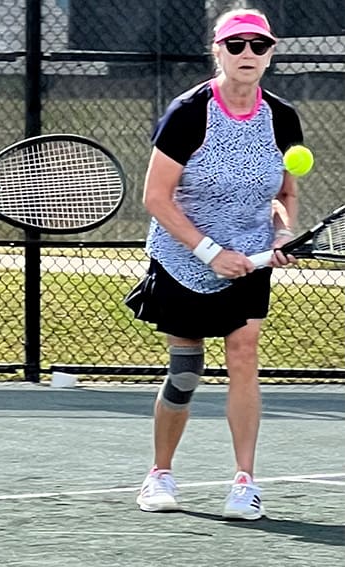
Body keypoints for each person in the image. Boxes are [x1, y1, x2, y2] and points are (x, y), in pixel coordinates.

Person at [125, 8, 303, 521]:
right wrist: (210, 252)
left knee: (244, 353)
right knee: (186, 370)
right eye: (236, 45)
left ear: (270, 53)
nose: (248, 54)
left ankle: (245, 483)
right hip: (183, 255)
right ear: (217, 50)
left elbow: (285, 192)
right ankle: (159, 473)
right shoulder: (189, 112)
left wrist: (283, 232)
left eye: (258, 45)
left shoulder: (283, 116)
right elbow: (157, 197)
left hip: (251, 257)